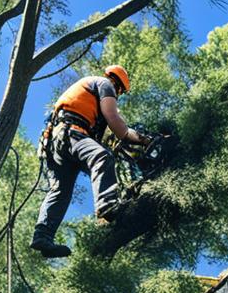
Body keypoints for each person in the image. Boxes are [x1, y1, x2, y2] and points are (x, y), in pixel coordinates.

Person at [31, 65, 150, 258]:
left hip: (55, 145)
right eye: (119, 92)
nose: (117, 96)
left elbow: (104, 136)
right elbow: (114, 120)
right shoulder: (105, 84)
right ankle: (107, 205)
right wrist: (141, 139)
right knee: (101, 157)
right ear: (118, 85)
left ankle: (42, 236)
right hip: (70, 133)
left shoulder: (89, 94)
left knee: (60, 191)